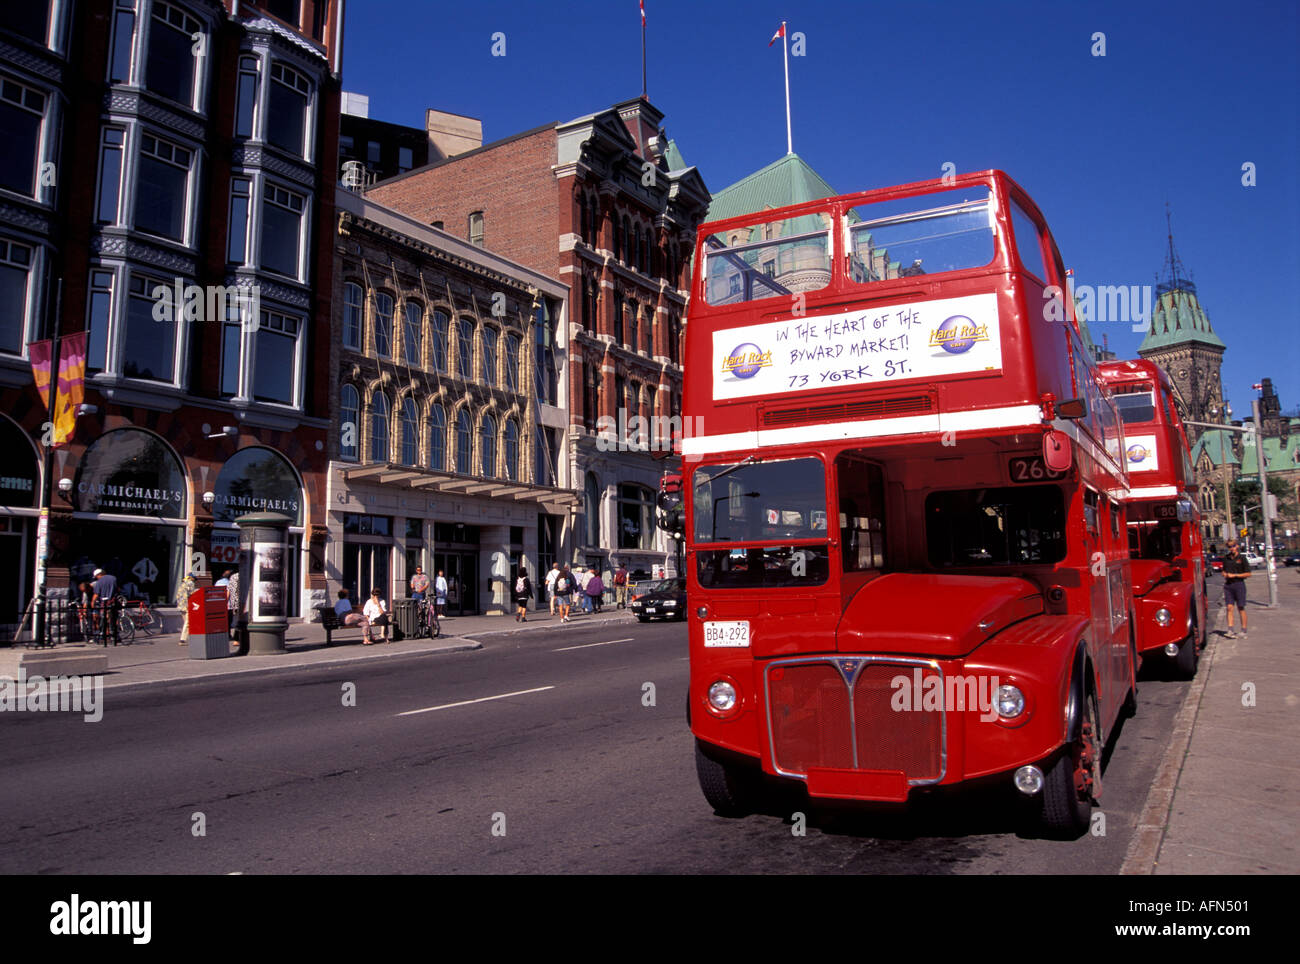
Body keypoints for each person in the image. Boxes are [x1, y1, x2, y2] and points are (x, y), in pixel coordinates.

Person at [1222, 540, 1251, 638]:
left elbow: (1248, 573)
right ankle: (1230, 630)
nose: (1232, 548)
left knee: (1241, 607)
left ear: (1237, 546)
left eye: (1233, 546)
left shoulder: (1242, 558)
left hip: (1239, 584)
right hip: (1228, 585)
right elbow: (1223, 571)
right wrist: (1225, 574)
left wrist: (1235, 575)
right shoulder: (1226, 558)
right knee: (1229, 607)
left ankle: (1244, 630)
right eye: (1230, 547)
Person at [90, 567, 119, 646]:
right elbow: (118, 589)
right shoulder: (113, 578)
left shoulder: (99, 582)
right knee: (113, 618)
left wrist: (92, 603)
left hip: (104, 603)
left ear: (99, 575)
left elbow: (96, 594)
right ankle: (115, 636)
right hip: (113, 601)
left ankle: (104, 636)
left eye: (96, 576)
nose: (96, 578)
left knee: (104, 620)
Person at [175, 571, 197, 645]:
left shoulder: (183, 583)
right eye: (194, 579)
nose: (195, 580)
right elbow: (193, 594)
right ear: (192, 578)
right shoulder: (191, 583)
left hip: (181, 606)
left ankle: (190, 637)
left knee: (186, 622)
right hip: (187, 606)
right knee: (188, 623)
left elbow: (178, 595)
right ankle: (182, 640)